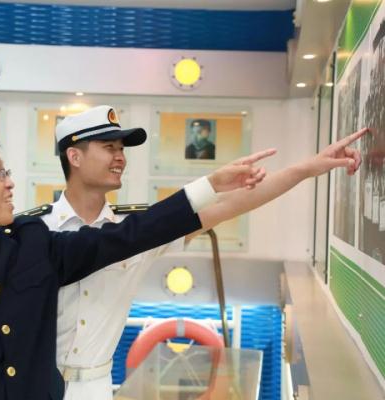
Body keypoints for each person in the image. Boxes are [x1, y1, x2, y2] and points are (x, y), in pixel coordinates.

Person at [0, 131, 267, 400]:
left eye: (7, 171)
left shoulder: (32, 245)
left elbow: (132, 234)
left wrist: (209, 186)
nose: (9, 182)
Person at [36, 105, 367, 400]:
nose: (120, 157)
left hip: (95, 388)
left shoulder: (138, 231)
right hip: (32, 384)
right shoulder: (33, 232)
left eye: (122, 149)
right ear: (74, 157)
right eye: (109, 148)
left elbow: (232, 204)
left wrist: (309, 168)